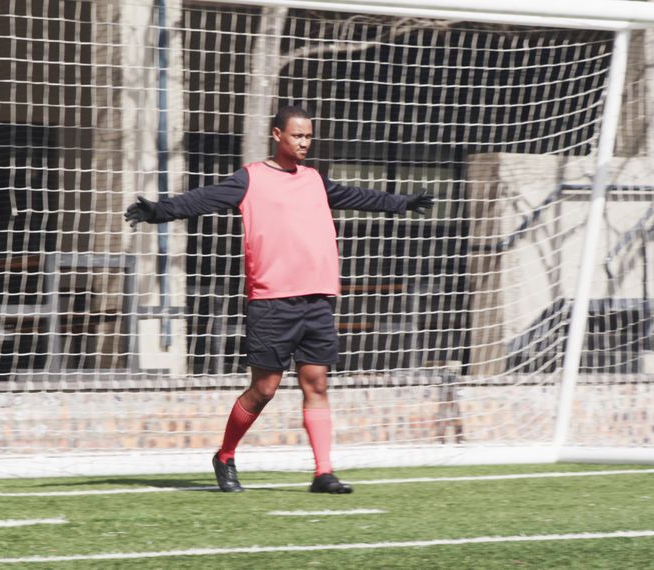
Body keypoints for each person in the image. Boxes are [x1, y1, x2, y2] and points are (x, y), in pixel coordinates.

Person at [125, 105, 433, 493]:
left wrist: (403, 203)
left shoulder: (315, 180)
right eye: (297, 136)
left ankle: (323, 473)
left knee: (316, 384)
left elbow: (359, 197)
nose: (304, 143)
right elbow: (203, 199)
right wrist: (159, 211)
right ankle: (225, 455)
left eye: (308, 137)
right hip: (272, 302)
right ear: (277, 135)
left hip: (318, 299)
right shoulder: (251, 178)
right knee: (264, 390)